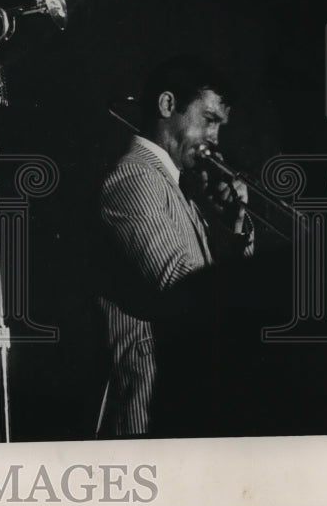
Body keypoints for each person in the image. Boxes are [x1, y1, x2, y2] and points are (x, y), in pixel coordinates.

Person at [96, 55, 255, 438]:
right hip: (148, 409)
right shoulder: (136, 176)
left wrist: (234, 231)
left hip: (180, 402)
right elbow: (183, 291)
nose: (215, 140)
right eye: (209, 120)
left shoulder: (173, 188)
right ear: (168, 105)